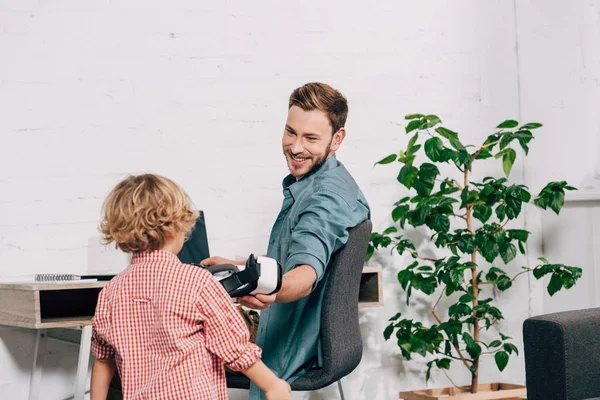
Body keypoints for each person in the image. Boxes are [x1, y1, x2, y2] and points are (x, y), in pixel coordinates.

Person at [202, 82, 370, 399]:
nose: (295, 147)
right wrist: (239, 268)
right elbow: (296, 257)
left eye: (310, 138)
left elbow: (305, 273)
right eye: (291, 132)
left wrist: (273, 289)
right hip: (300, 337)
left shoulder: (324, 201)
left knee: (141, 347)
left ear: (337, 139)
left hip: (286, 351)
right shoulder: (325, 182)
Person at [90, 174, 291, 400]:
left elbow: (103, 361)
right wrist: (272, 384)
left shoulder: (110, 292)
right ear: (175, 227)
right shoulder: (197, 281)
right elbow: (233, 347)